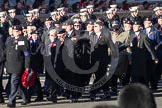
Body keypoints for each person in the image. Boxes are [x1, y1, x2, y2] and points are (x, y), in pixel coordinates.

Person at [5, 25, 30, 107]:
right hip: (10, 65)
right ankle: (25, 98)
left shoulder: (23, 40)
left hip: (18, 66)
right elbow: (7, 52)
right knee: (18, 84)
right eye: (13, 30)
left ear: (20, 32)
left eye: (15, 31)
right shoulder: (9, 39)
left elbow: (26, 54)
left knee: (14, 82)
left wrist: (27, 66)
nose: (13, 32)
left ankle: (12, 101)